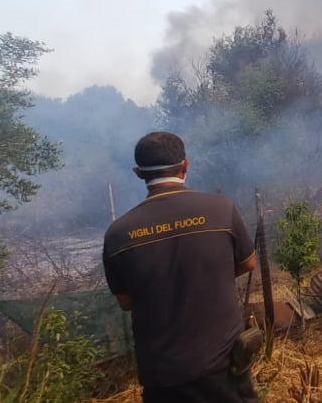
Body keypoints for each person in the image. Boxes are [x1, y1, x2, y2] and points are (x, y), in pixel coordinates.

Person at [103, 131, 259, 403]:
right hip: (223, 368)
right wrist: (209, 276)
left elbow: (126, 302)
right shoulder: (220, 209)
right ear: (185, 165)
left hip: (162, 377)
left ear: (139, 173)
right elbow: (249, 262)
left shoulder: (119, 233)